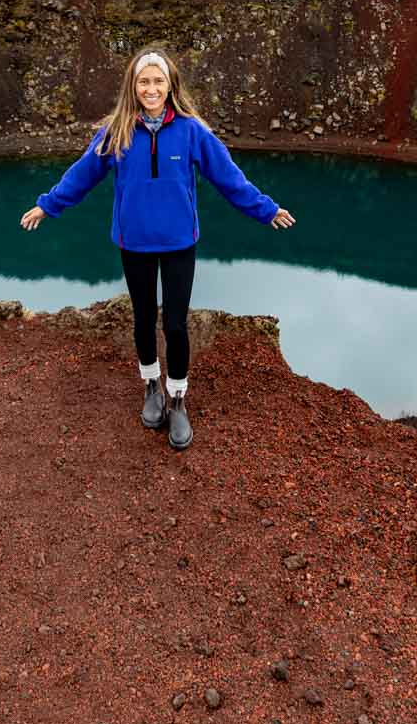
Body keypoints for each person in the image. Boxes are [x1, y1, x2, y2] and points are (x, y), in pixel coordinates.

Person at [20, 48, 294, 450]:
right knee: (144, 317)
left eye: (158, 81)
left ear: (170, 86)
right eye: (144, 81)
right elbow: (82, 175)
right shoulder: (117, 132)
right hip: (134, 242)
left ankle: (178, 396)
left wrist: (265, 209)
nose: (151, 88)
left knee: (177, 323)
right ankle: (152, 386)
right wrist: (48, 205)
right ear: (134, 86)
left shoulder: (191, 131)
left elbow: (228, 178)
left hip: (180, 242)